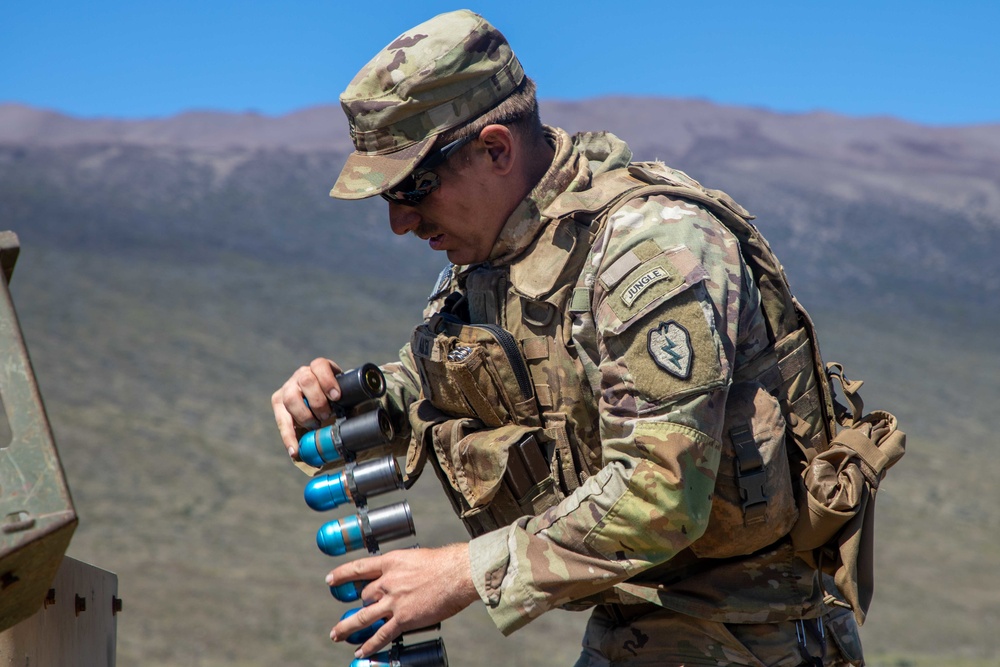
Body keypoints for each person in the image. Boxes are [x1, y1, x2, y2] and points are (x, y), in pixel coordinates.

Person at [271, 9, 865, 666]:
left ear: (496, 149)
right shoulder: (488, 271)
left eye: (414, 187)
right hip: (633, 629)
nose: (400, 221)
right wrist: (340, 403)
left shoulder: (651, 249)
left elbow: (660, 494)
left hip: (754, 637)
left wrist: (460, 573)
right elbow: (447, 386)